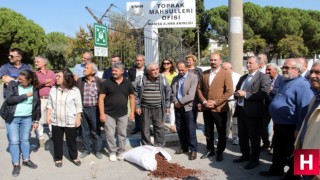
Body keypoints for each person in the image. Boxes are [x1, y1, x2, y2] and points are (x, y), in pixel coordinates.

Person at [260, 58, 314, 177]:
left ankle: (293, 176)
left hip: (291, 126)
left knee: (294, 153)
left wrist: (299, 128)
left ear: (297, 70)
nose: (283, 70)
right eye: (283, 67)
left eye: (287, 68)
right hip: (280, 124)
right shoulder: (286, 81)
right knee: (279, 150)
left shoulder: (303, 85)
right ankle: (276, 169)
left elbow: (303, 109)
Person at [233, 56, 271, 169]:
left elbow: (264, 93)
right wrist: (236, 94)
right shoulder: (243, 77)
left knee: (254, 138)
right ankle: (245, 155)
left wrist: (245, 94)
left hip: (254, 113)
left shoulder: (263, 77)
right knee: (242, 136)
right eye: (247, 62)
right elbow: (237, 90)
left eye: (250, 63)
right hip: (241, 111)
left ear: (258, 64)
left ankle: (254, 160)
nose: (248, 64)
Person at [197, 53, 233, 162]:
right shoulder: (205, 74)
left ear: (220, 61)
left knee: (221, 131)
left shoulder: (226, 73)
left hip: (220, 109)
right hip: (206, 108)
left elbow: (229, 91)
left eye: (215, 60)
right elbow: (199, 89)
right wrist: (204, 102)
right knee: (208, 131)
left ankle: (220, 151)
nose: (213, 62)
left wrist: (216, 102)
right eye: (211, 60)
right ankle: (210, 149)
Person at [5, 70, 41, 177]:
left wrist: (36, 120)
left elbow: (37, 105)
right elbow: (9, 100)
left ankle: (26, 159)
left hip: (27, 118)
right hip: (13, 118)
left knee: (25, 140)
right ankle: (16, 164)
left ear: (29, 80)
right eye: (19, 78)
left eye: (22, 80)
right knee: (14, 141)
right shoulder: (13, 85)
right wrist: (26, 95)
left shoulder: (34, 88)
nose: (19, 81)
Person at [99, 62, 135, 161]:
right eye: (112, 70)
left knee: (122, 134)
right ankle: (112, 152)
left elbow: (132, 98)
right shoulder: (106, 83)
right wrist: (102, 114)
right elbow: (101, 98)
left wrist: (132, 112)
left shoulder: (127, 83)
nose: (113, 72)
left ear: (122, 71)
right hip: (108, 113)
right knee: (110, 134)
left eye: (116, 70)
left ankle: (121, 152)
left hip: (123, 113)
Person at [46, 68, 83, 168]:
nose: (56, 78)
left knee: (71, 140)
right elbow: (49, 104)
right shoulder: (54, 89)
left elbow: (79, 106)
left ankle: (74, 157)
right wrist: (48, 115)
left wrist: (78, 118)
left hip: (70, 120)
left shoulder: (75, 90)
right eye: (56, 76)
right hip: (56, 120)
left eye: (59, 76)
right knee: (57, 140)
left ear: (66, 78)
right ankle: (58, 158)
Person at [293, 60, 320, 180]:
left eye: (318, 72)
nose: (312, 76)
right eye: (312, 72)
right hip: (307, 153)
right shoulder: (315, 98)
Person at [134, 62, 171, 147]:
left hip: (159, 107)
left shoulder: (162, 78)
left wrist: (167, 105)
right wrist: (137, 106)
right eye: (153, 70)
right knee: (145, 127)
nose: (156, 71)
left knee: (159, 127)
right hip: (145, 107)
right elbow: (135, 93)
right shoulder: (140, 79)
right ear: (148, 72)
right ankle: (147, 145)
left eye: (157, 69)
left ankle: (159, 146)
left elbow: (168, 92)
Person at [171, 60, 198, 160]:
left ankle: (193, 149)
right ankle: (184, 146)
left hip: (188, 107)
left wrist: (180, 102)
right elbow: (172, 93)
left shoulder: (193, 78)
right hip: (178, 107)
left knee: (190, 129)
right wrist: (175, 102)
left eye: (182, 70)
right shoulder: (175, 78)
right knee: (180, 128)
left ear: (187, 68)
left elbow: (191, 95)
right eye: (179, 70)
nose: (181, 72)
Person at [76, 63, 104, 159]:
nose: (84, 69)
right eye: (85, 67)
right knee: (85, 130)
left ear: (93, 71)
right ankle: (86, 149)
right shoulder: (80, 81)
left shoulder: (99, 82)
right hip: (83, 109)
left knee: (96, 130)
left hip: (95, 109)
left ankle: (97, 150)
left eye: (87, 68)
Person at [34, 55, 56, 147]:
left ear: (44, 63)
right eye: (35, 62)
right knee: (40, 118)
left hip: (50, 98)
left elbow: (54, 81)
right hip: (41, 99)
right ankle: (40, 137)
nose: (35, 63)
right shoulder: (35, 73)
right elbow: (36, 83)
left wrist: (42, 82)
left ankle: (53, 135)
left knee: (52, 117)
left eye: (37, 61)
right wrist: (45, 82)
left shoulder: (51, 72)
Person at [261, 63, 282, 152]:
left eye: (269, 70)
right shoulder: (265, 79)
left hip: (277, 107)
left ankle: (274, 147)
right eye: (266, 69)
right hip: (266, 107)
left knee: (276, 128)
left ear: (275, 70)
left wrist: (273, 90)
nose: (267, 71)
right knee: (262, 126)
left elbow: (284, 90)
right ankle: (266, 143)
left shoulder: (282, 79)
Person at [221, 62, 241, 145]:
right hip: (224, 101)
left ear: (230, 68)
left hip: (234, 101)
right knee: (225, 120)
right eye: (222, 69)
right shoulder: (221, 76)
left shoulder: (238, 77)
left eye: (225, 69)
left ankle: (235, 137)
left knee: (235, 120)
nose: (223, 71)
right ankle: (225, 136)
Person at [128, 54, 147, 135]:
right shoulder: (131, 70)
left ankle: (147, 128)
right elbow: (129, 80)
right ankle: (137, 127)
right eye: (137, 60)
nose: (138, 62)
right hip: (135, 92)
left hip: (146, 91)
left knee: (146, 111)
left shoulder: (147, 70)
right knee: (136, 109)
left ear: (143, 61)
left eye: (140, 60)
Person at [160, 58, 178, 133]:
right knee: (161, 109)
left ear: (170, 64)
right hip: (161, 93)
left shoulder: (174, 73)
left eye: (167, 63)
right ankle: (161, 124)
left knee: (171, 108)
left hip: (171, 93)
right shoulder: (160, 73)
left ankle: (172, 124)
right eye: (164, 63)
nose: (166, 65)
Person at [185, 54, 203, 126]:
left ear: (194, 61)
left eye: (190, 60)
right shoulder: (184, 69)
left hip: (196, 92)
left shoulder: (198, 70)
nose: (188, 61)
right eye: (187, 60)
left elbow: (201, 80)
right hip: (186, 92)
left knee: (195, 109)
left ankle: (193, 124)